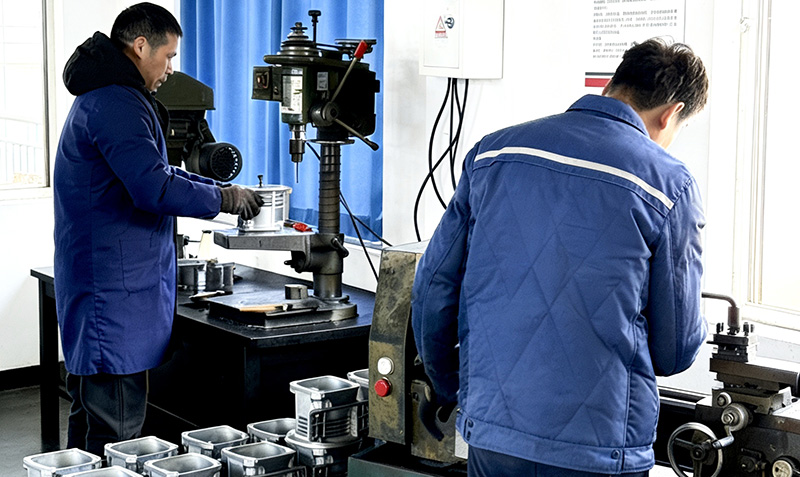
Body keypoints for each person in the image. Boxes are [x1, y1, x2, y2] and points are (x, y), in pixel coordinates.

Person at [411, 38, 710, 476]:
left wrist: (450, 386)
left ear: (613, 85)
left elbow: (432, 289)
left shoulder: (493, 153)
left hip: (495, 436)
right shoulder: (669, 185)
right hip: (600, 450)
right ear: (671, 114)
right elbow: (675, 351)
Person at [53, 2, 261, 455]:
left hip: (103, 285)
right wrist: (224, 200)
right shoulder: (117, 103)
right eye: (168, 57)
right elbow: (153, 188)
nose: (170, 70)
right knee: (118, 431)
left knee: (90, 421)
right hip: (113, 294)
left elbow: (160, 171)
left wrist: (218, 188)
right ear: (141, 46)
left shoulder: (108, 97)